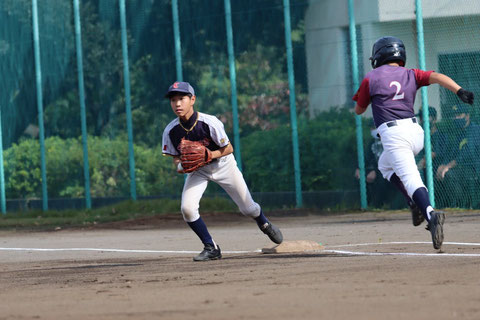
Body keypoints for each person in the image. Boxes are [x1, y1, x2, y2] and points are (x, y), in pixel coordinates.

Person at [352, 36, 474, 249]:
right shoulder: (411, 74)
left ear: (379, 56)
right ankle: (413, 203)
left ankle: (430, 214)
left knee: (410, 178)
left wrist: (375, 98)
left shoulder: (371, 78)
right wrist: (459, 90)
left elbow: (359, 110)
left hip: (394, 134)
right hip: (416, 132)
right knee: (384, 165)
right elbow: (436, 76)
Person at [162, 81, 283, 261]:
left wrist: (209, 155)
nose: (177, 104)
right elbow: (176, 159)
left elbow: (228, 148)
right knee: (187, 209)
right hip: (198, 171)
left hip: (223, 164)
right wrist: (182, 166)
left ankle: (263, 222)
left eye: (182, 98)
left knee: (248, 209)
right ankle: (211, 247)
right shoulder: (171, 130)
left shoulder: (209, 122)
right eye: (173, 100)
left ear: (192, 99)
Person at [436, 104, 480, 208]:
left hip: (473, 168)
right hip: (460, 168)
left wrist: (448, 167)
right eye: (455, 115)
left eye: (459, 115)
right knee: (439, 173)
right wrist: (443, 165)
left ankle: (460, 205)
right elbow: (451, 152)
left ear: (467, 116)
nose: (456, 118)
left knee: (449, 174)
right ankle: (442, 205)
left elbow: (467, 154)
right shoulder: (458, 132)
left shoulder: (476, 130)